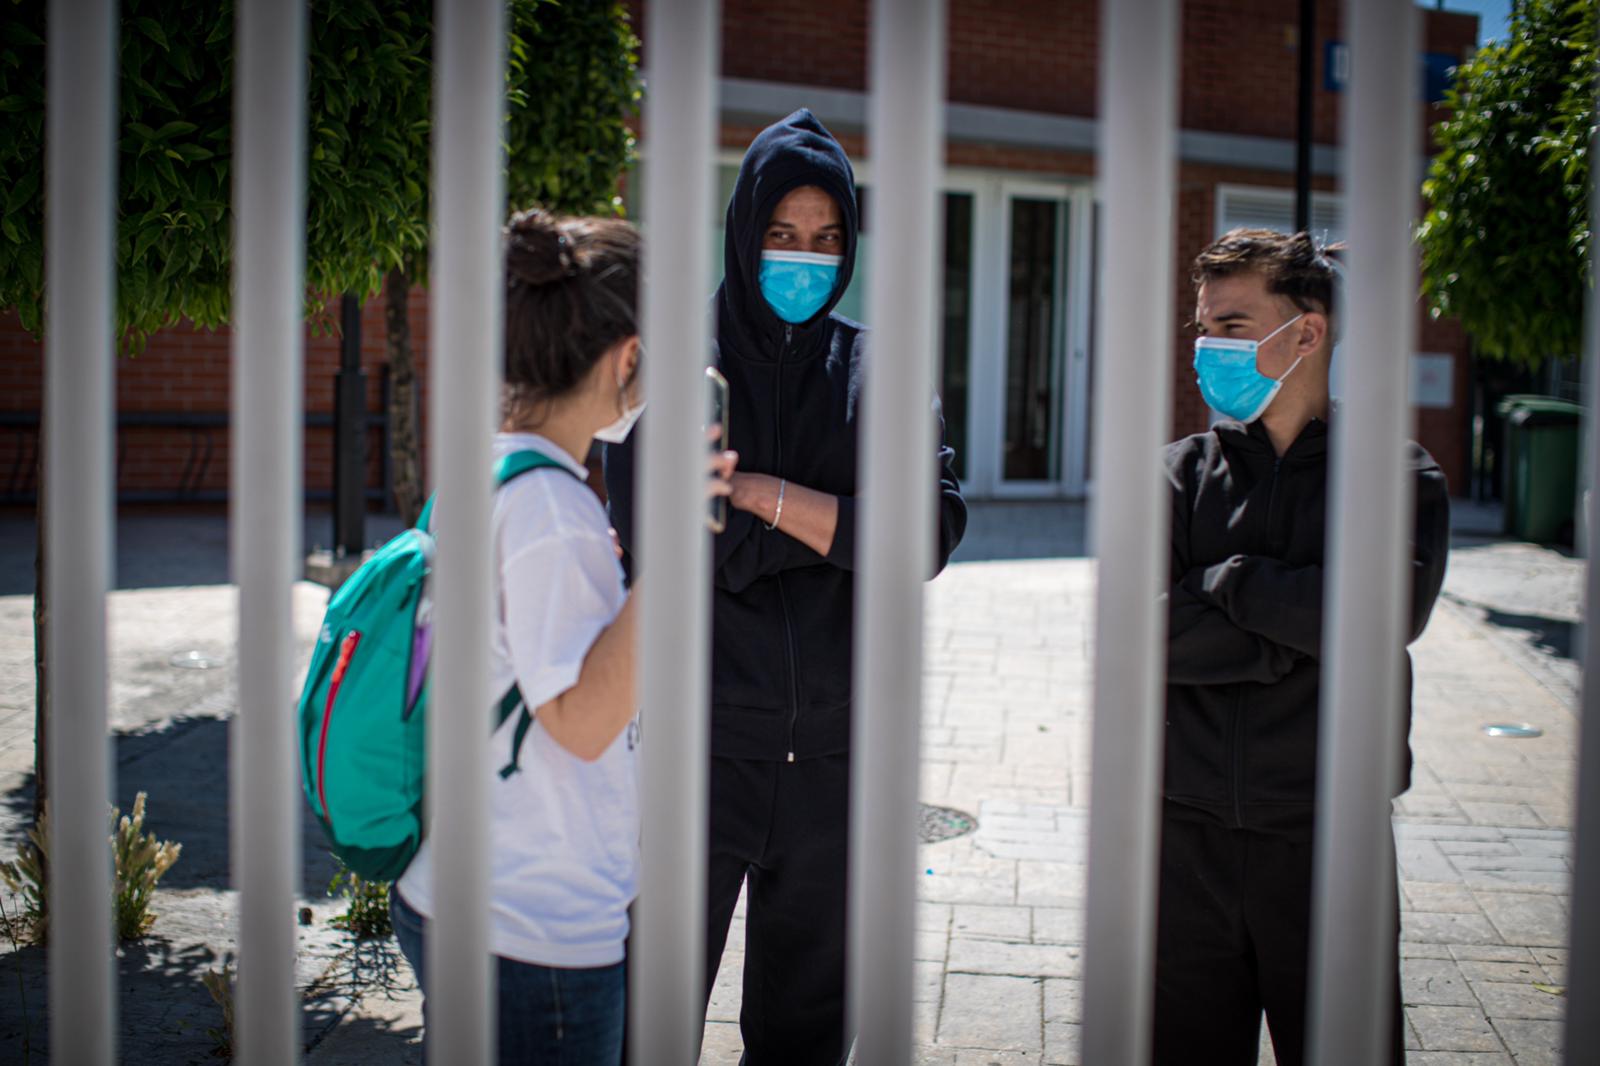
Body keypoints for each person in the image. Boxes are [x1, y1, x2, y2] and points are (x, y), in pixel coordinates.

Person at [604, 108, 968, 1063]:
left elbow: (925, 532)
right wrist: (839, 525)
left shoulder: (877, 371)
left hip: (839, 769)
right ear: (743, 231)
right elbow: (658, 539)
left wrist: (756, 496)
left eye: (825, 239)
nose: (803, 257)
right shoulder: (674, 367)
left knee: (805, 1035)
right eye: (780, 234)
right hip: (696, 759)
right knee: (648, 1022)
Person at [391, 209, 737, 1065]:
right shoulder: (556, 510)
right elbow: (582, 724)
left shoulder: (495, 466)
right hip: (535, 929)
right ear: (626, 357)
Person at [1158, 228, 1450, 1065]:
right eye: (1205, 328)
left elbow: (1382, 615)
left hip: (1331, 842)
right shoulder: (1177, 476)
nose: (1210, 348)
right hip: (1183, 837)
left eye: (1236, 327)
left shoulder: (1398, 477)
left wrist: (1231, 583)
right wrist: (1292, 641)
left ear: (1308, 333)